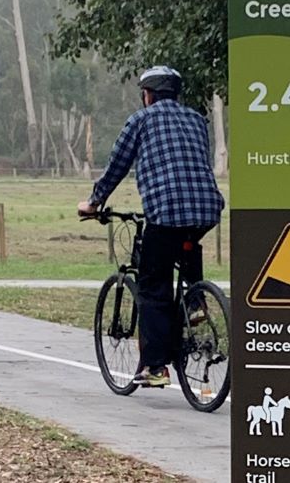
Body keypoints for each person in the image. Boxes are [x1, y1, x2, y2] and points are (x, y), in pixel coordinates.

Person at [78, 66, 224, 387]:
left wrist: (94, 203)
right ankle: (195, 301)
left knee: (152, 284)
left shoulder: (140, 120)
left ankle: (156, 368)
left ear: (147, 95)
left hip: (166, 209)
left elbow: (117, 165)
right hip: (207, 209)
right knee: (185, 245)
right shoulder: (197, 120)